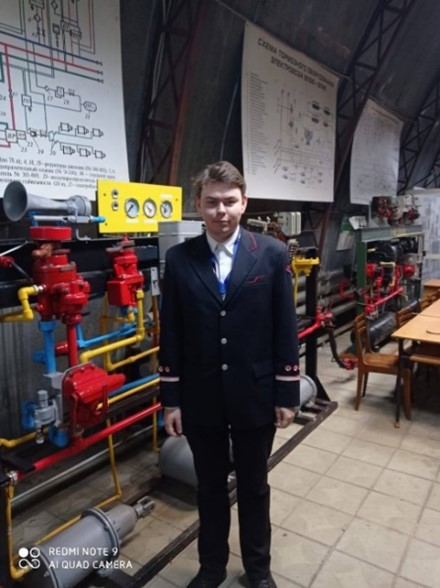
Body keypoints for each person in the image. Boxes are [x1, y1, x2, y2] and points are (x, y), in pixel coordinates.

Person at [158, 161, 300, 588]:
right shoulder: (179, 259)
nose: (221, 211)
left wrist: (287, 393)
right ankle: (211, 568)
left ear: (244, 203)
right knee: (210, 488)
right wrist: (171, 400)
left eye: (229, 201)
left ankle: (258, 569)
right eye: (212, 202)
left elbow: (285, 327)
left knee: (254, 486)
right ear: (198, 204)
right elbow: (172, 332)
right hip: (201, 397)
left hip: (256, 394)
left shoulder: (271, 254)